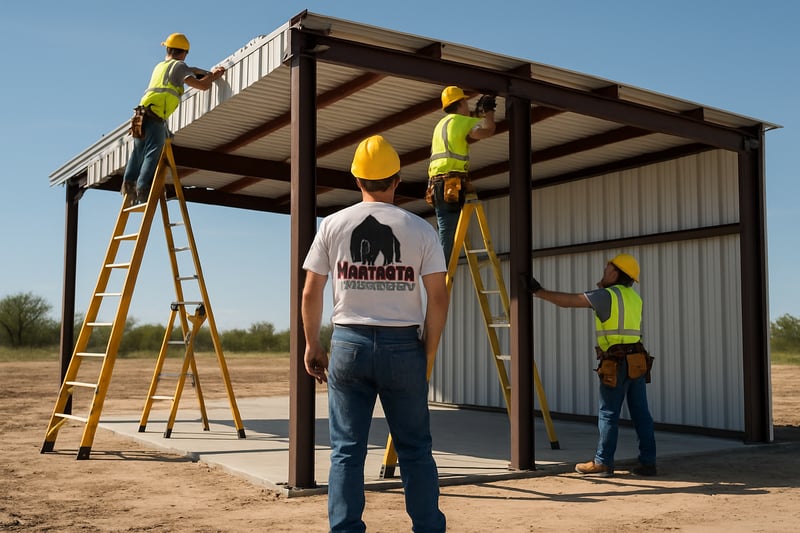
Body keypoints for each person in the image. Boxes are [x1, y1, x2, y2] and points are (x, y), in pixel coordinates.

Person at [302, 135, 449, 532]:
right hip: (404, 346)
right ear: (397, 180)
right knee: (416, 450)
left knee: (346, 452)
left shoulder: (333, 225)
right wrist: (427, 351)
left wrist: (313, 343)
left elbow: (311, 290)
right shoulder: (421, 230)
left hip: (348, 343)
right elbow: (438, 297)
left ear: (357, 181)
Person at [529, 253, 657, 478]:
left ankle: (603, 462)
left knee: (608, 413)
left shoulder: (606, 296)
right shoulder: (634, 297)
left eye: (607, 268)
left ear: (615, 273)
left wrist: (538, 291)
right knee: (641, 414)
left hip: (616, 361)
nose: (604, 270)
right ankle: (648, 463)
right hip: (636, 359)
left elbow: (567, 301)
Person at [121, 33, 225, 207]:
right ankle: (142, 189)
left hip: (141, 114)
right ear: (184, 52)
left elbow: (187, 71)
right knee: (152, 152)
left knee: (138, 151)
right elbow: (203, 86)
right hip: (155, 117)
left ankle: (128, 184)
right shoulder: (179, 66)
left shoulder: (161, 66)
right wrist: (214, 75)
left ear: (168, 49)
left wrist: (199, 72)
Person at [427, 86, 495, 264]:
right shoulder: (461, 121)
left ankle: (438, 269)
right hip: (451, 183)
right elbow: (487, 131)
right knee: (449, 233)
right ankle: (441, 272)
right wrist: (488, 114)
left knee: (444, 228)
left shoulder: (440, 125)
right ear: (460, 103)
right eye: (465, 102)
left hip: (435, 184)